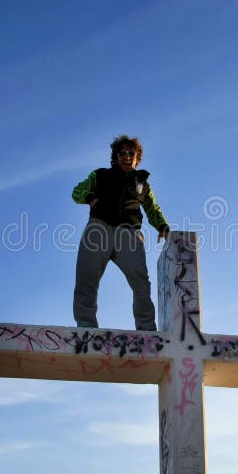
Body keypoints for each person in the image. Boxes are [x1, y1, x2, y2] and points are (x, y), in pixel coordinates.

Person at [72, 135, 169, 331]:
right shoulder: (99, 175)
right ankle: (86, 326)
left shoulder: (142, 184)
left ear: (137, 158)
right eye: (122, 153)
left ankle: (146, 329)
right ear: (116, 157)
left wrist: (162, 226)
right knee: (87, 277)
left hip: (130, 234)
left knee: (141, 283)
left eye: (130, 153)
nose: (126, 156)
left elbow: (153, 209)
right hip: (99, 229)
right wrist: (89, 197)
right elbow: (77, 191)